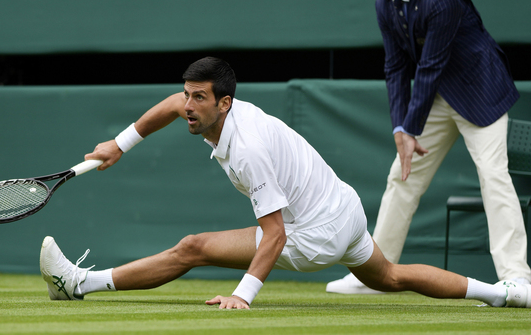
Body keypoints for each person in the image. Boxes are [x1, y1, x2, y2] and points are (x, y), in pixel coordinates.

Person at [40, 57, 529, 309]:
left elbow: (274, 235)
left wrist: (243, 294)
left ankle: (78, 284)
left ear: (224, 103)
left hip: (315, 232)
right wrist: (118, 145)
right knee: (393, 278)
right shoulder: (209, 109)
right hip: (345, 210)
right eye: (188, 94)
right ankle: (504, 293)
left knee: (192, 247)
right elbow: (169, 105)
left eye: (199, 98)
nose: (188, 105)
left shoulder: (248, 148)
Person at [326, 0, 531, 295]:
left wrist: (410, 128)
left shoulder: (442, 1)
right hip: (439, 97)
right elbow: (394, 69)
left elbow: (429, 67)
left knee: (493, 175)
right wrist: (400, 130)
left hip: (481, 94)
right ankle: (374, 273)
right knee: (401, 176)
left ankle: (518, 277)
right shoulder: (384, 4)